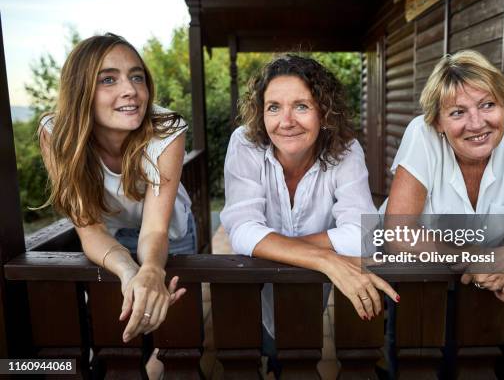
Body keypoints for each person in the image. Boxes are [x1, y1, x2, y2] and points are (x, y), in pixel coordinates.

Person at [221, 54, 399, 375]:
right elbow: (241, 229)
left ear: (324, 111)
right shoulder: (245, 144)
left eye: (301, 106)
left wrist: (278, 246)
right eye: (273, 107)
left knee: (298, 354)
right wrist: (326, 259)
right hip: (255, 284)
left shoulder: (345, 151)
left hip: (310, 291)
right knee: (252, 350)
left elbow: (364, 235)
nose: (286, 121)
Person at [38, 33, 194, 378]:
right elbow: (89, 227)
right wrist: (128, 271)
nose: (131, 90)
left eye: (136, 76)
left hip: (171, 229)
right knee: (115, 328)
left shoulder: (167, 130)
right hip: (107, 234)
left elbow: (155, 229)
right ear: (81, 90)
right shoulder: (55, 133)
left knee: (172, 330)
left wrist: (151, 269)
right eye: (108, 79)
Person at [384, 50, 504, 317]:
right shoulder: (421, 134)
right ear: (438, 122)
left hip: (477, 277)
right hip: (409, 268)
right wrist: (479, 257)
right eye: (458, 112)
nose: (477, 123)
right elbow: (397, 235)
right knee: (406, 342)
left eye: (487, 105)